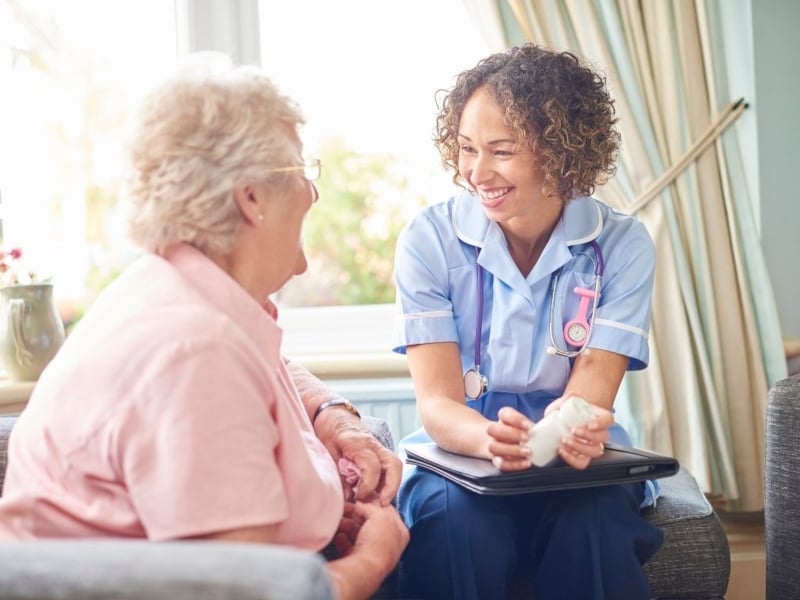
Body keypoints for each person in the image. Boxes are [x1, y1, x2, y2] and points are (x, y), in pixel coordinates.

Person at [0, 52, 408, 600]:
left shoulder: (179, 288)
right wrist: (374, 558)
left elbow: (266, 370)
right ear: (252, 198)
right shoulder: (195, 350)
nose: (313, 193)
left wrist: (330, 414)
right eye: (301, 170)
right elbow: (242, 595)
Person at [392, 44, 663, 600]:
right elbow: (440, 403)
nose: (476, 172)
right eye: (467, 149)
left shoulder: (621, 244)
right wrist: (491, 440)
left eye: (502, 151)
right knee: (454, 524)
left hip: (573, 449)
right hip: (461, 446)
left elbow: (591, 387)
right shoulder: (430, 240)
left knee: (591, 524)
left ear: (560, 151)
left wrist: (568, 427)